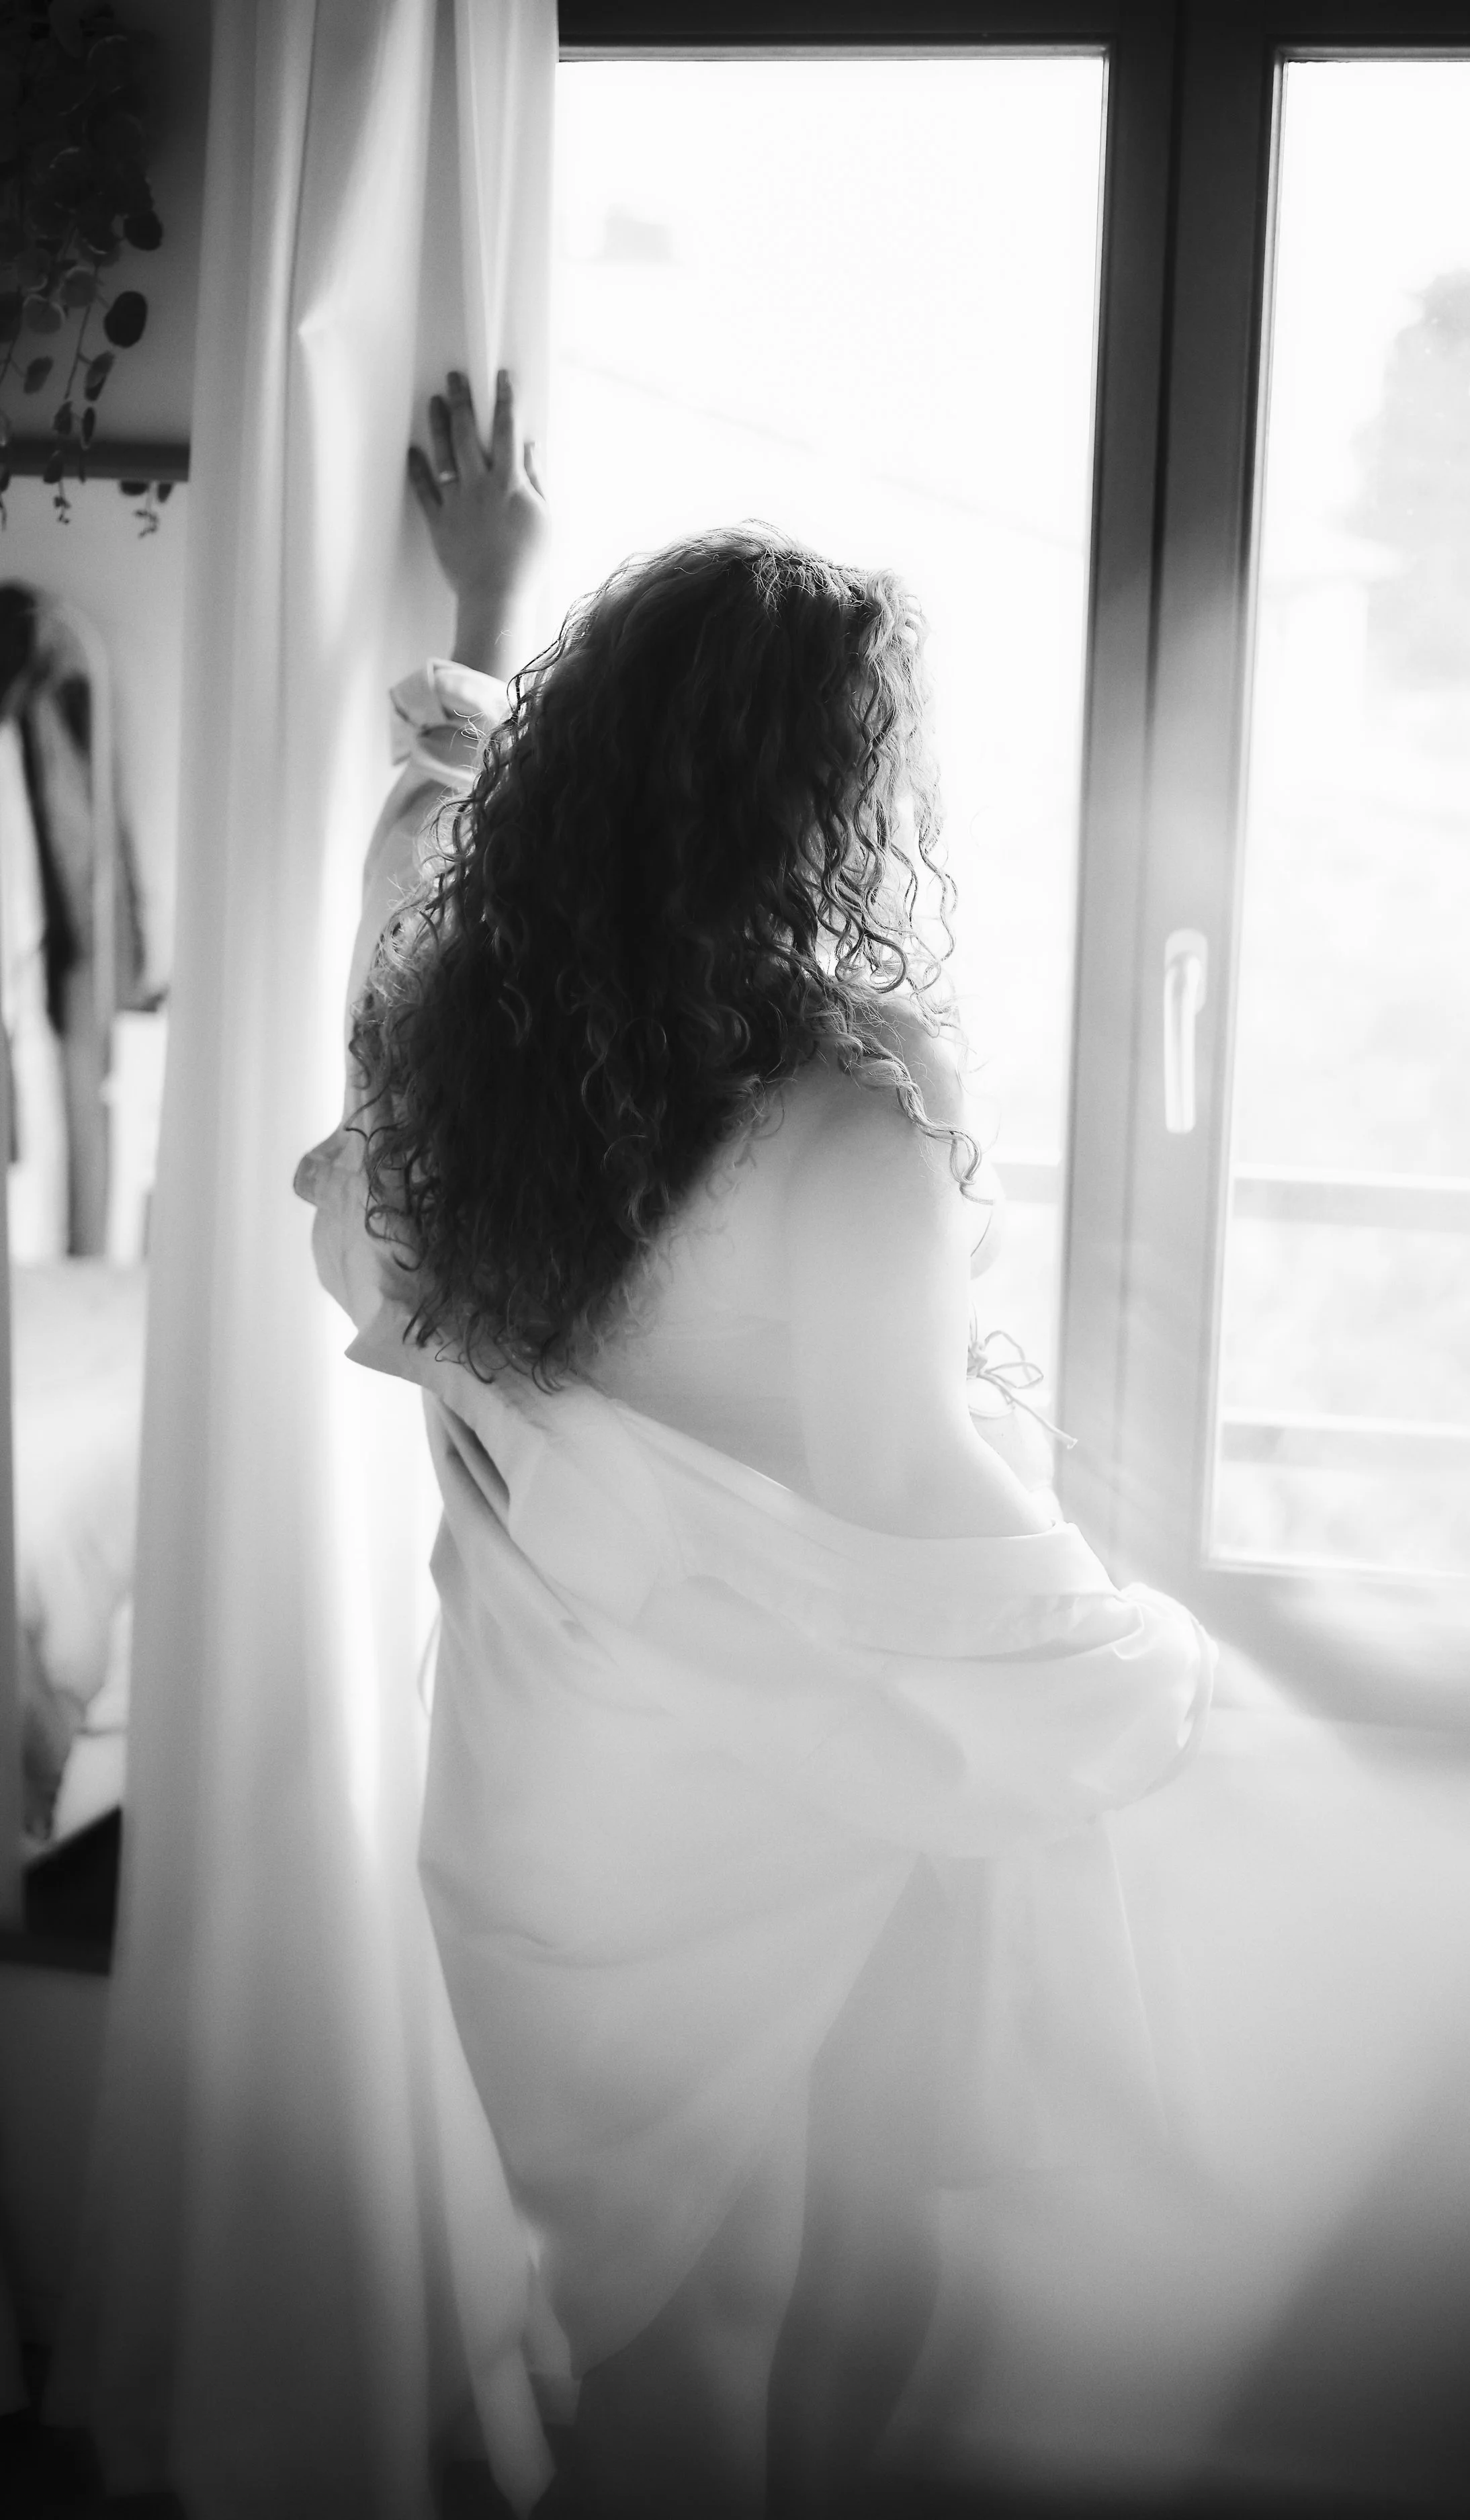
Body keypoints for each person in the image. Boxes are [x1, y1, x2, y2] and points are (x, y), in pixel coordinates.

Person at [296, 371, 1213, 2517]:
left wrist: (489, 591)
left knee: (611, 2307)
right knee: (782, 2296)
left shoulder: (462, 1034)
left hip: (529, 1787)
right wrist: (1118, 1642)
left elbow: (440, 801)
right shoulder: (842, 1124)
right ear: (831, 814)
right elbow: (899, 1490)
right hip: (734, 1794)